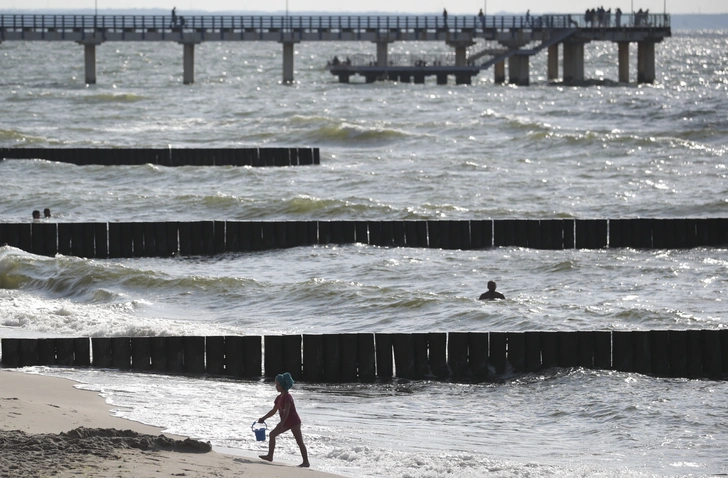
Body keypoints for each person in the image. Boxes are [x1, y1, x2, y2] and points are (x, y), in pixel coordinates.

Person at [258, 372, 310, 468]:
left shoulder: (287, 397)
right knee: (272, 434)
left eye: (278, 385)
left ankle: (306, 462)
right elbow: (273, 411)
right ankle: (270, 456)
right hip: (286, 422)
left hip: (294, 422)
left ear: (283, 385)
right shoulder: (278, 398)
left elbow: (287, 411)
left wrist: (281, 423)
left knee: (299, 441)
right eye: (276, 385)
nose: (276, 387)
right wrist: (263, 418)